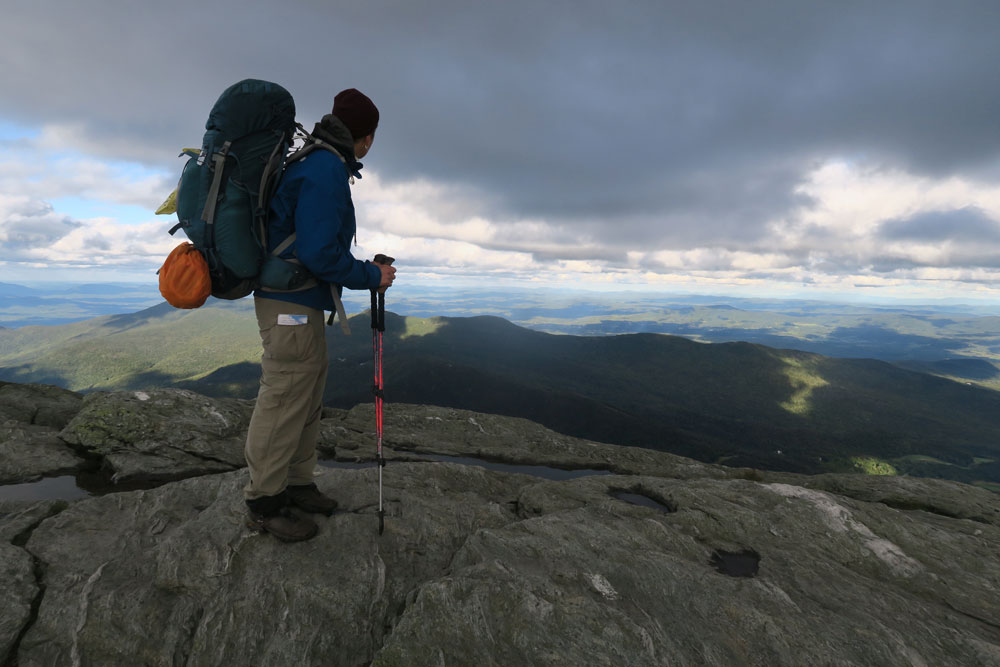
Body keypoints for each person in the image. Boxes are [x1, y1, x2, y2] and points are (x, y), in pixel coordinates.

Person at [243, 88, 396, 542]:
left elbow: (314, 245)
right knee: (286, 394)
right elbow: (317, 252)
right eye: (372, 137)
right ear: (364, 137)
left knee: (305, 394)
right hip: (290, 301)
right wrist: (372, 275)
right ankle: (263, 503)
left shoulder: (315, 160)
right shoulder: (326, 167)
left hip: (298, 299)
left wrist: (365, 271)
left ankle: (296, 483)